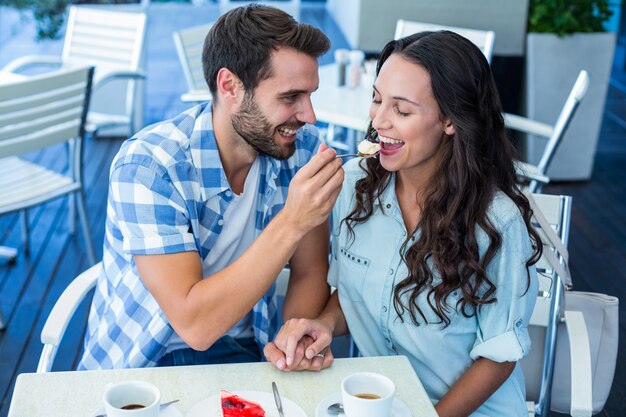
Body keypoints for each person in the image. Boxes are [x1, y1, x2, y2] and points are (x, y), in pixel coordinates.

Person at [264, 31, 543, 417]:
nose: (378, 121)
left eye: (402, 110)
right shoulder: (354, 186)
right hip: (379, 405)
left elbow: (498, 357)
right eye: (377, 99)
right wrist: (324, 323)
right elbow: (353, 294)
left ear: (449, 119)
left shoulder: (497, 222)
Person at [79, 4, 344, 369]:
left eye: (310, 95)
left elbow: (310, 271)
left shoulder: (303, 151)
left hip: (249, 350)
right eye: (290, 97)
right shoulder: (150, 167)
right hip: (146, 365)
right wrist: (294, 220)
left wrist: (292, 340)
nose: (309, 116)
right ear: (230, 87)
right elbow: (196, 327)